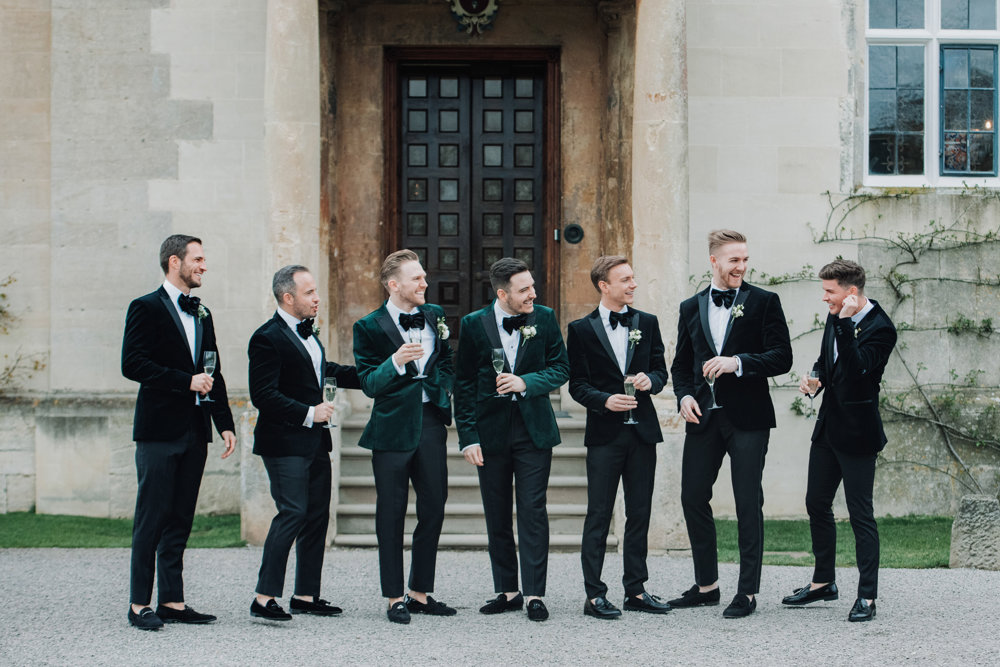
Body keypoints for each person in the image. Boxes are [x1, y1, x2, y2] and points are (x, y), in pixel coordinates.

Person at [668, 229, 792, 619]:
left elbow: (782, 358)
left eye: (744, 260)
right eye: (733, 260)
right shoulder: (691, 307)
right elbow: (681, 366)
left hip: (749, 418)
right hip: (703, 417)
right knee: (692, 496)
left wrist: (737, 363)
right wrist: (684, 396)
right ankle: (706, 585)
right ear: (714, 262)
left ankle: (748, 592)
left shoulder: (765, 301)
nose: (741, 266)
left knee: (746, 501)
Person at [121, 234, 237, 631]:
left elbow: (212, 370)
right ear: (175, 262)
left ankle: (172, 600)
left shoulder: (202, 312)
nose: (204, 266)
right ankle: (140, 604)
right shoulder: (145, 307)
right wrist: (183, 381)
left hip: (194, 431)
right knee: (151, 517)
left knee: (180, 518)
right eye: (198, 259)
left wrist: (224, 423)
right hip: (157, 432)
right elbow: (132, 363)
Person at [781, 259, 896, 622]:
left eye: (829, 291)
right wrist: (814, 378)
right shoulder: (836, 318)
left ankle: (867, 597)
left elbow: (859, 370)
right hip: (829, 427)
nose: (824, 298)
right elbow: (826, 361)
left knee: (861, 514)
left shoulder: (882, 328)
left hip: (859, 434)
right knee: (816, 502)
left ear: (851, 292)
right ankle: (822, 583)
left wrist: (845, 323)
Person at [455, 257, 569, 622]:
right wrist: (467, 437)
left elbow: (560, 367)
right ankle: (507, 590)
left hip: (534, 431)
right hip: (490, 434)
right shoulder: (473, 325)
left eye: (532, 286)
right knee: (497, 512)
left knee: (533, 511)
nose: (533, 294)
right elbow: (465, 385)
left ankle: (535, 593)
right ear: (502, 293)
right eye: (524, 290)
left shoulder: (545, 318)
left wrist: (527, 383)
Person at [248, 265, 360, 622]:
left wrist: (378, 374)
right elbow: (263, 395)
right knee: (292, 513)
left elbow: (326, 371)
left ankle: (306, 594)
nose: (317, 298)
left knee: (316, 518)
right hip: (283, 443)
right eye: (310, 292)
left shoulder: (310, 335)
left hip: (315, 443)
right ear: (288, 297)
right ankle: (264, 598)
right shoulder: (266, 338)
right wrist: (310, 413)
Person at [353, 250, 456, 624]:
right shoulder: (368, 326)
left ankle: (420, 592)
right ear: (394, 285)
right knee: (391, 513)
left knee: (434, 506)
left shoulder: (436, 316)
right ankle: (395, 596)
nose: (425, 284)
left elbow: (445, 362)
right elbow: (368, 383)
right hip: (391, 429)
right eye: (417, 279)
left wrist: (441, 386)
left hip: (430, 422)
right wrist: (395, 361)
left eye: (424, 277)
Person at [567, 256, 671, 619]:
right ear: (604, 285)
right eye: (625, 279)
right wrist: (604, 400)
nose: (633, 285)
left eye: (633, 278)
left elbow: (661, 371)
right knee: (598, 514)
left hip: (642, 432)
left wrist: (651, 381)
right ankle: (594, 595)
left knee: (639, 513)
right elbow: (577, 384)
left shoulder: (648, 322)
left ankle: (636, 591)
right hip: (604, 435)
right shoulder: (580, 329)